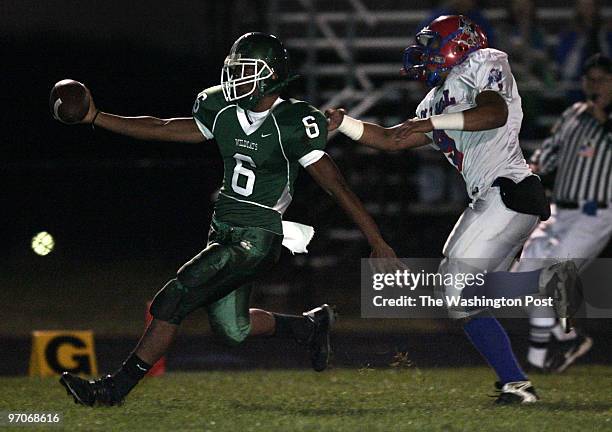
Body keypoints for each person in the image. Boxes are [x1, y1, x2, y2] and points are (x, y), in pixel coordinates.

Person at [58, 32, 397, 407]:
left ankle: (111, 390)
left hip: (258, 235)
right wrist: (97, 117)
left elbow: (337, 187)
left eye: (246, 71)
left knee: (175, 297)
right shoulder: (219, 108)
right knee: (233, 330)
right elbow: (164, 127)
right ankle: (309, 326)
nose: (236, 79)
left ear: (272, 76)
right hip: (222, 228)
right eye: (234, 70)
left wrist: (377, 240)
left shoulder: (293, 121)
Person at [326, 15, 582, 404]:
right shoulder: (434, 98)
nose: (424, 56)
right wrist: (344, 124)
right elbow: (394, 140)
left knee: (456, 285)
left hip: (509, 189)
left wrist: (431, 121)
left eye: (431, 47)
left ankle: (522, 367)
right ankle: (521, 368)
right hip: (493, 197)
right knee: (471, 298)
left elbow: (493, 114)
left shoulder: (483, 62)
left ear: (458, 44)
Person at [516, 53, 612, 373]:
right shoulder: (574, 113)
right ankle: (562, 338)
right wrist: (531, 170)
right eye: (590, 79)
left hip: (597, 213)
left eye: (602, 79)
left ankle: (538, 355)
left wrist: (603, 118)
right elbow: (547, 153)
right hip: (559, 209)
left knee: (553, 274)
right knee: (523, 276)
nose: (594, 85)